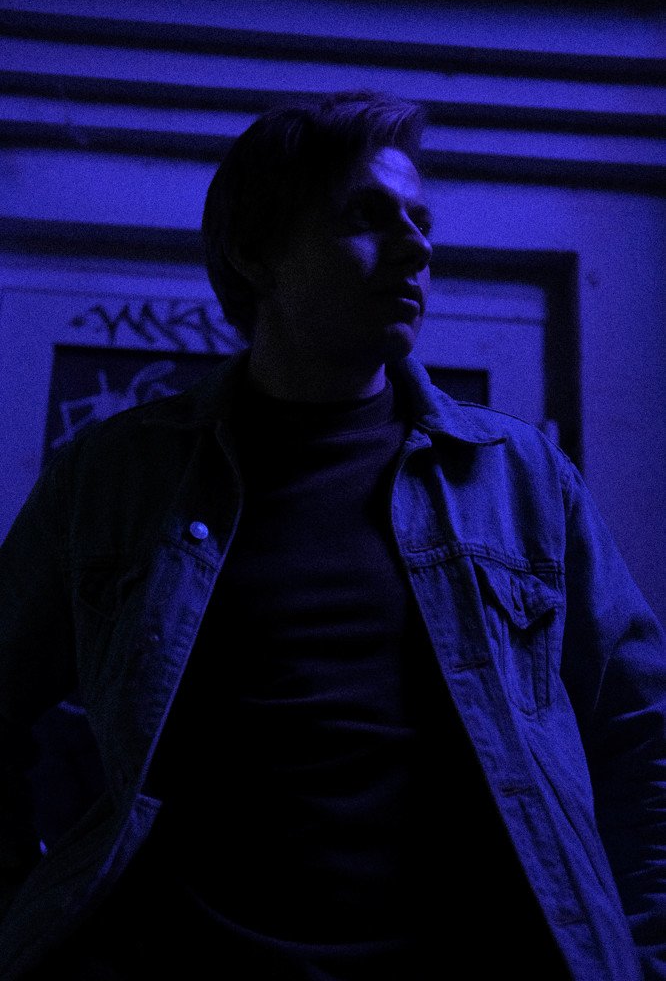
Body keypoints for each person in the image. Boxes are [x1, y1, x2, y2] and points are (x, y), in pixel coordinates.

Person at [0, 90, 663, 981]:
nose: (417, 248)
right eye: (369, 216)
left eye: (421, 221)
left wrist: (642, 956)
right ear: (255, 252)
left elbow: (641, 735)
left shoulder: (520, 480)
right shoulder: (115, 476)